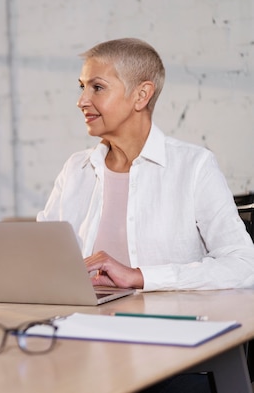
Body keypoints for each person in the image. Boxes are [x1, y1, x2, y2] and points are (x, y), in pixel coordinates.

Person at [37, 38, 254, 292]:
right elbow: (43, 258)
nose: (81, 100)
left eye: (97, 87)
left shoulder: (194, 167)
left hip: (165, 326)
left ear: (141, 95)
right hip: (82, 322)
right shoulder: (76, 169)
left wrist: (139, 277)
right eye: (82, 86)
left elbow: (244, 264)